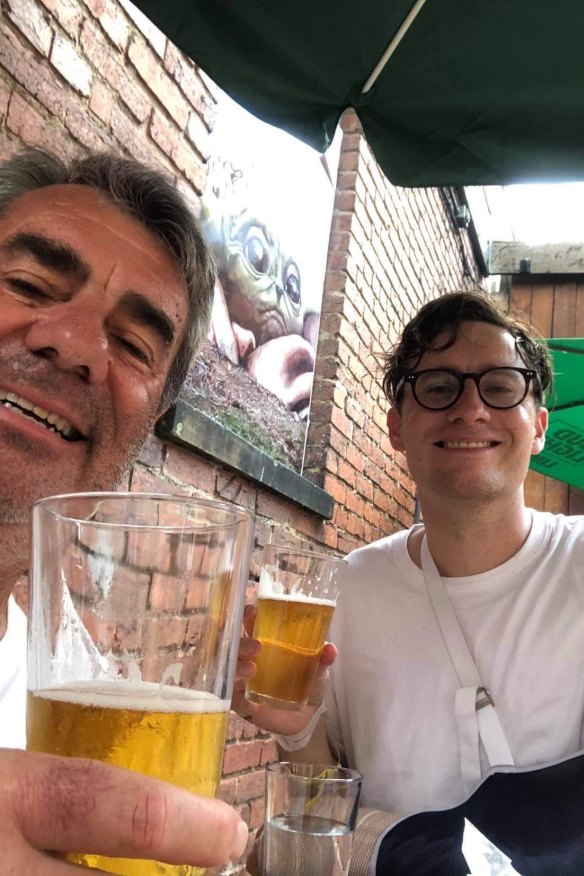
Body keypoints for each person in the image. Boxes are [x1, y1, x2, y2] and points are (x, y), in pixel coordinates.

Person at [234, 290, 584, 871]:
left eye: (500, 386)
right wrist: (298, 733)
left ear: (539, 425)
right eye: (438, 387)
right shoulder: (348, 591)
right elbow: (319, 824)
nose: (471, 408)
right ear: (397, 427)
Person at [0, 147, 248, 871]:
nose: (76, 344)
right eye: (27, 282)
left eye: (134, 343)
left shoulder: (68, 671)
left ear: (152, 419)